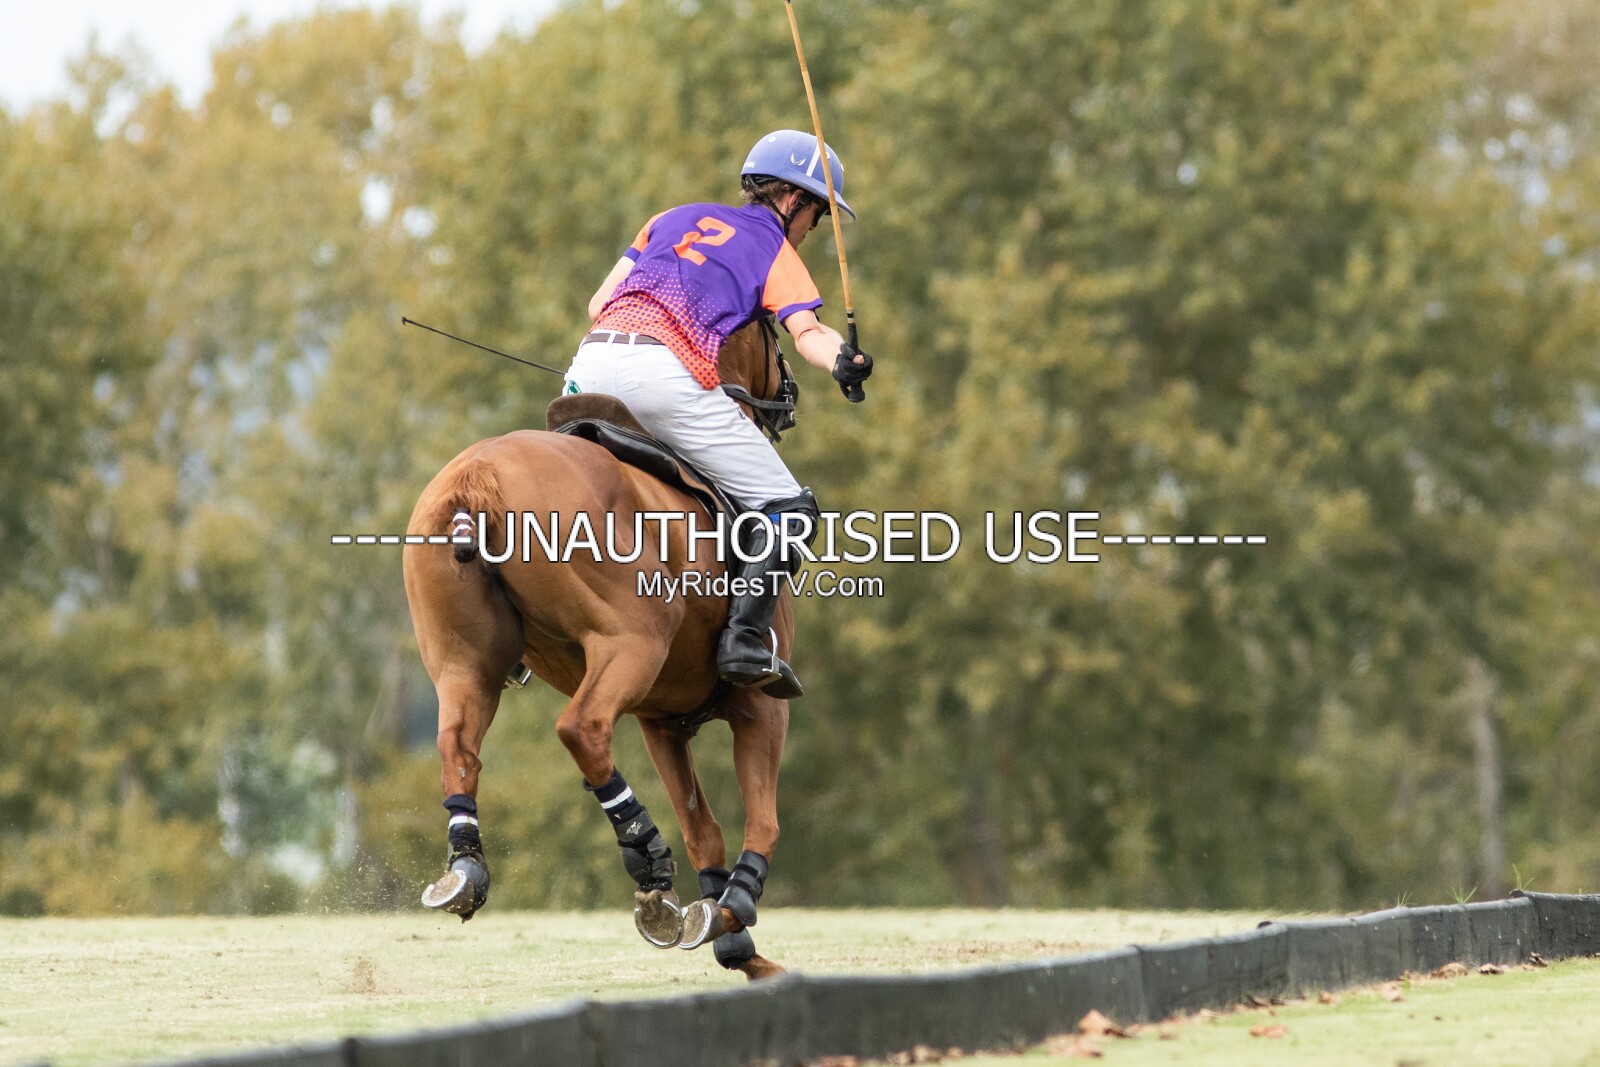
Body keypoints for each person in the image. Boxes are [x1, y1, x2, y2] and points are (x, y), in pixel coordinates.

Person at [565, 129, 873, 695]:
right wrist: (842, 362)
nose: (814, 229)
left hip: (589, 365)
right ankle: (744, 640)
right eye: (818, 214)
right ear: (793, 199)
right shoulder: (775, 250)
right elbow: (806, 332)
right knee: (791, 510)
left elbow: (598, 304)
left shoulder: (668, 218)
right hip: (662, 379)